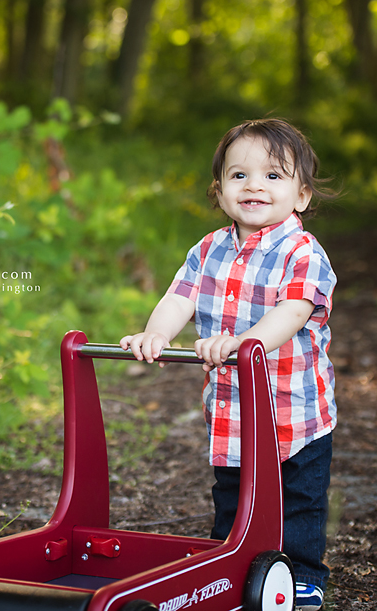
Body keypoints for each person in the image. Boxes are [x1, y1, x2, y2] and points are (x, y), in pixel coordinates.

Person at [121, 119, 337, 611]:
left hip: (295, 411)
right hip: (232, 410)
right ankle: (228, 568)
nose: (255, 185)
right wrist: (157, 332)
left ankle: (302, 576)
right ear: (219, 191)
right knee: (234, 494)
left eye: (273, 176)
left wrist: (244, 343)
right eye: (239, 176)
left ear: (301, 195)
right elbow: (180, 298)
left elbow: (294, 310)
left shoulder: (302, 252)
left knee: (298, 498)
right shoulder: (208, 249)